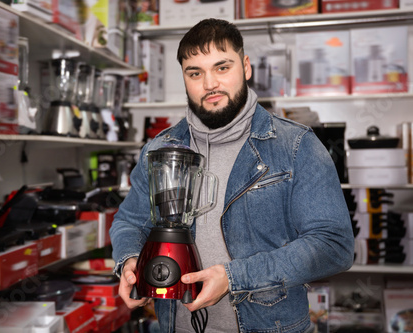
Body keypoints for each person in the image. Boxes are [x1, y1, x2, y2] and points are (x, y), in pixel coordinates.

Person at [110, 18, 354, 333]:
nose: (210, 84)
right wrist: (130, 261)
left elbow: (334, 246)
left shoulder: (295, 146)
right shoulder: (160, 149)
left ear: (246, 67)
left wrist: (233, 278)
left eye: (222, 68)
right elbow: (129, 221)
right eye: (195, 73)